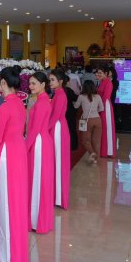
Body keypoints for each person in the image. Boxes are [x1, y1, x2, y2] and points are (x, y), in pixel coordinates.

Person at [0, 66, 29, 262]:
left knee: (4, 201)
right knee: (15, 199)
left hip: (6, 154)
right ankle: (14, 249)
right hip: (19, 152)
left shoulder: (5, 107)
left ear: (3, 83)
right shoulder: (20, 104)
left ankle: (5, 252)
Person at [27, 72, 54, 234]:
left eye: (34, 83)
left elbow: (35, 129)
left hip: (38, 143)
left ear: (43, 84)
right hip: (40, 141)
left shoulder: (42, 102)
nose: (30, 86)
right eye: (30, 83)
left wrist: (24, 148)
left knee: (37, 180)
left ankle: (36, 220)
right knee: (38, 179)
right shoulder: (41, 100)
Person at [49, 69, 72, 210]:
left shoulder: (61, 95)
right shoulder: (57, 93)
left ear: (61, 81)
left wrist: (45, 129)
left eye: (52, 80)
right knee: (56, 161)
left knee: (58, 160)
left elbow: (55, 116)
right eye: (50, 80)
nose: (50, 82)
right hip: (57, 127)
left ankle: (58, 197)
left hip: (57, 128)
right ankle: (55, 195)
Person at [73, 80, 104, 160]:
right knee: (96, 141)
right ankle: (96, 159)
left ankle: (92, 153)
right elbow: (101, 108)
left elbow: (76, 106)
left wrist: (73, 103)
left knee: (85, 140)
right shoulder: (98, 96)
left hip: (87, 120)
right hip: (97, 120)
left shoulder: (81, 96)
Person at [94, 67, 117, 158]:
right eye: (98, 73)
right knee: (102, 128)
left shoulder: (108, 82)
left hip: (105, 106)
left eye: (100, 73)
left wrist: (100, 107)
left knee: (106, 127)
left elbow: (106, 96)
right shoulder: (102, 82)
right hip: (101, 105)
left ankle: (108, 151)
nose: (98, 74)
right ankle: (102, 150)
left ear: (106, 73)